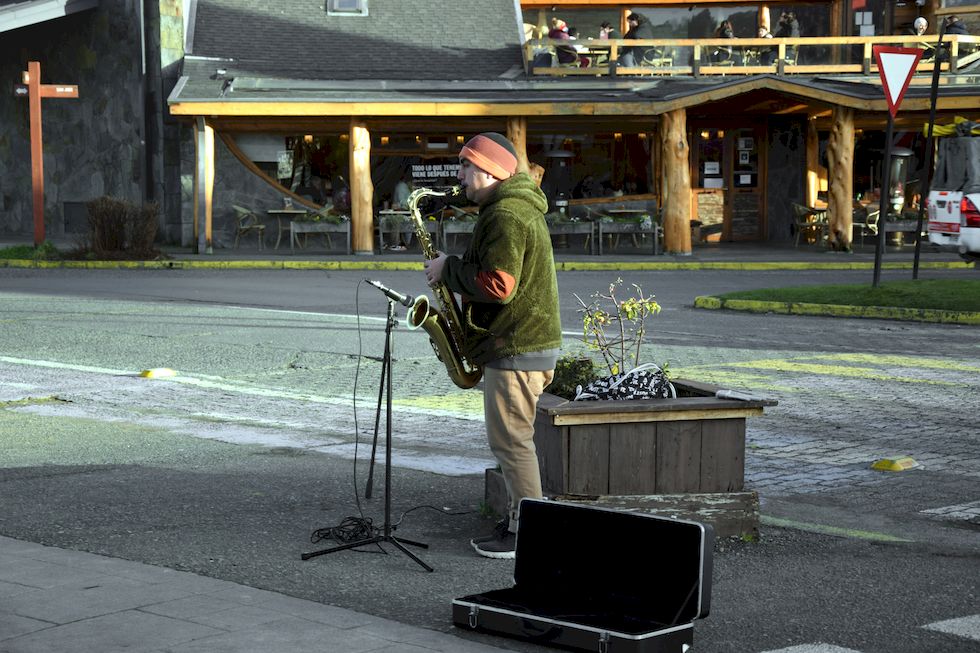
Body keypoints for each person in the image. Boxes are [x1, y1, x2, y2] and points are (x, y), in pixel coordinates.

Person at [423, 133, 561, 559]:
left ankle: (526, 535)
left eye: (465, 165)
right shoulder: (513, 208)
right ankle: (524, 524)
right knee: (515, 442)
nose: (459, 174)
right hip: (521, 343)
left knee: (512, 445)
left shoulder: (506, 215)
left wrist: (449, 269)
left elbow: (499, 286)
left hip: (515, 345)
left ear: (490, 170)